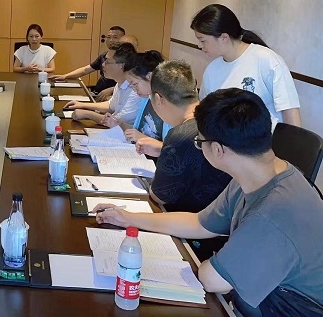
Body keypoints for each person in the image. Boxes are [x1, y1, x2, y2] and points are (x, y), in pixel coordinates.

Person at [94, 88, 323, 315]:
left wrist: (210, 264)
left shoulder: (273, 212)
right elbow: (199, 223)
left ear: (217, 149)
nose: (199, 146)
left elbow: (213, 280)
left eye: (199, 142)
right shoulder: (257, 173)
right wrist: (129, 218)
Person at [135, 60, 232, 212]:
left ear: (159, 99)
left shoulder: (180, 136)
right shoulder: (219, 118)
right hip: (226, 214)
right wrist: (163, 150)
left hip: (193, 218)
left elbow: (160, 196)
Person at [191, 4, 301, 127]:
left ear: (224, 37)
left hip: (266, 138)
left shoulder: (267, 60)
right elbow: (205, 113)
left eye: (202, 40)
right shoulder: (212, 69)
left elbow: (290, 113)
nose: (199, 45)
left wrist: (291, 140)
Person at [63, 42, 142, 125]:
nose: (103, 65)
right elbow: (110, 106)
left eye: (107, 61)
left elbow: (116, 122)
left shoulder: (136, 90)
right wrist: (82, 105)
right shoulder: (120, 82)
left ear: (122, 65)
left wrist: (87, 114)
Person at [105, 49, 170, 145]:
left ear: (149, 76)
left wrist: (142, 138)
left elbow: (170, 148)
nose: (134, 90)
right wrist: (120, 125)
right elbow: (137, 131)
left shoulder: (168, 105)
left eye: (134, 84)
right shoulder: (146, 99)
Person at [50, 26, 133, 100]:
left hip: (109, 97)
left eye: (115, 37)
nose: (111, 40)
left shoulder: (128, 59)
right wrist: (65, 76)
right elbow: (86, 70)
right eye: (108, 37)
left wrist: (112, 90)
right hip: (98, 94)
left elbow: (129, 82)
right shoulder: (104, 55)